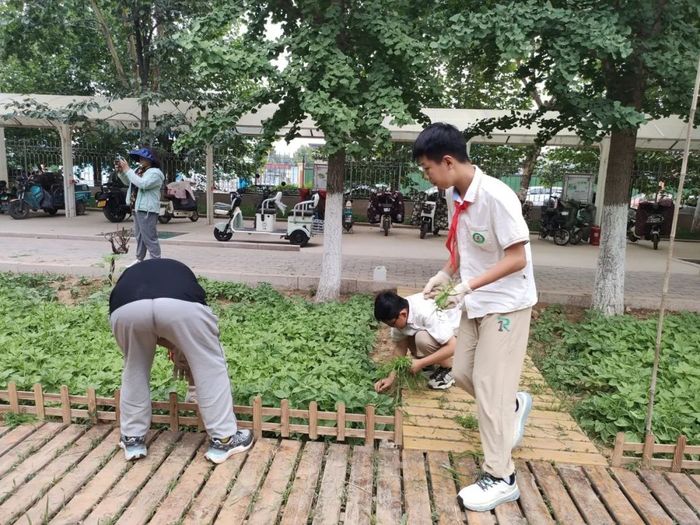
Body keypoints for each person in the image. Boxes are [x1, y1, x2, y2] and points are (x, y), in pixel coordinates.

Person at [415, 123, 536, 512]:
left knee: (487, 384)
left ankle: (502, 477)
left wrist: (468, 286)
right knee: (464, 373)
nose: (426, 176)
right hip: (476, 302)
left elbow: (517, 258)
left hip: (507, 304)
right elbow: (464, 248)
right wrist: (447, 274)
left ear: (448, 162)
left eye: (427, 168)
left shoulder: (497, 197)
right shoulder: (455, 194)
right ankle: (512, 406)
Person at [109, 258, 253, 464]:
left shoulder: (130, 277)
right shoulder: (180, 273)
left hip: (126, 307)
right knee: (209, 365)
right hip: (181, 305)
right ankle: (224, 438)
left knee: (135, 367)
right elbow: (180, 328)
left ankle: (132, 438)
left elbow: (155, 326)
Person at [373, 291, 460, 391]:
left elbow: (453, 346)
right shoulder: (399, 313)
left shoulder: (425, 311)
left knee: (422, 339)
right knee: (409, 335)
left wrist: (421, 363)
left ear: (403, 314)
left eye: (392, 324)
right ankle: (430, 364)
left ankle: (450, 368)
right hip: (437, 333)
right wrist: (391, 378)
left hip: (455, 333)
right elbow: (400, 347)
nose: (392, 327)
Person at [115, 148, 164, 267]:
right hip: (137, 207)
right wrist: (122, 172)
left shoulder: (155, 173)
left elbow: (143, 184)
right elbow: (129, 182)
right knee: (139, 236)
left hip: (147, 209)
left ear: (150, 159)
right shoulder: (139, 170)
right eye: (140, 158)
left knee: (149, 237)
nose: (141, 160)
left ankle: (156, 262)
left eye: (144, 158)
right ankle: (139, 260)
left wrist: (128, 170)